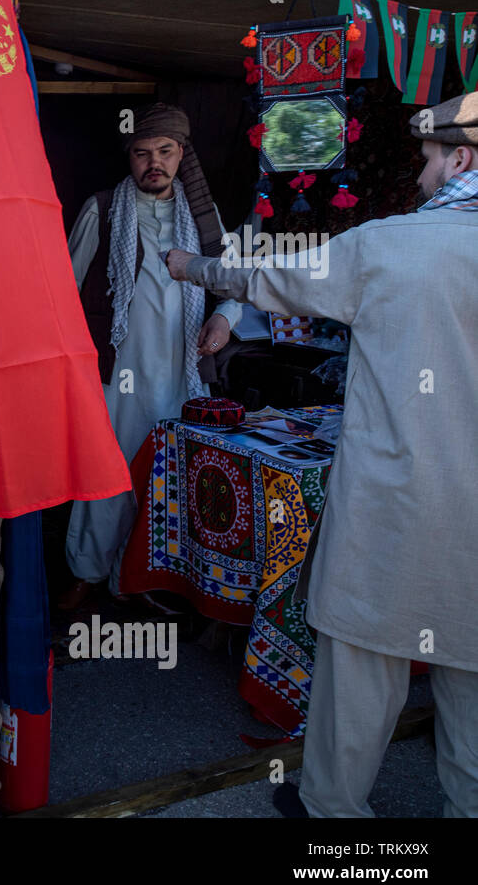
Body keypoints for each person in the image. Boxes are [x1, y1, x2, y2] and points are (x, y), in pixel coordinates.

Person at [167, 91, 478, 818]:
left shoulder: (393, 245)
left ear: (461, 157)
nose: (424, 176)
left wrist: (193, 268)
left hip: (397, 507)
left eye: (431, 159)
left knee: (364, 660)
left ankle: (336, 817)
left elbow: (270, 282)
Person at [61, 103, 244, 608]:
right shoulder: (102, 209)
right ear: (130, 158)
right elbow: (63, 292)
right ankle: (89, 571)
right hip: (119, 375)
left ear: (181, 154)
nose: (153, 163)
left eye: (164, 151)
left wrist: (223, 320)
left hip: (183, 376)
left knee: (174, 479)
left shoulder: (203, 219)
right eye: (142, 153)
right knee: (110, 473)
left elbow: (235, 285)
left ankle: (153, 579)